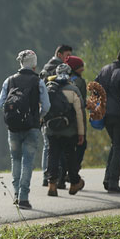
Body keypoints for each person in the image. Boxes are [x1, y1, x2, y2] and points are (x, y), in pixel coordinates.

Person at [0, 50, 50, 209]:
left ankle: (15, 194)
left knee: (16, 160)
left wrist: (12, 115)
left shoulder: (9, 81)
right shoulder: (38, 81)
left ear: (20, 63)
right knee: (28, 161)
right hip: (32, 127)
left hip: (13, 128)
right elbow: (47, 106)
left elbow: (0, 104)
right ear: (34, 65)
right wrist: (39, 116)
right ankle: (24, 198)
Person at [95, 47, 120, 193]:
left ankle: (108, 179)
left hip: (106, 115)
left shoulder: (104, 70)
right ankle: (113, 182)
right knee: (119, 148)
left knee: (115, 145)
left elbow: (95, 88)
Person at [43, 63, 85, 197]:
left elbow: (43, 108)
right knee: (70, 156)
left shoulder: (49, 89)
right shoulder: (74, 90)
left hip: (51, 130)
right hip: (69, 131)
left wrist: (42, 125)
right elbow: (79, 113)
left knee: (52, 156)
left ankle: (52, 184)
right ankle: (74, 183)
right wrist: (81, 133)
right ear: (69, 74)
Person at [39, 45, 73, 187]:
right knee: (54, 147)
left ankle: (46, 176)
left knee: (48, 146)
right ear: (59, 54)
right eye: (67, 55)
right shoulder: (58, 68)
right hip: (56, 112)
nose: (68, 58)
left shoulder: (45, 68)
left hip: (45, 111)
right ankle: (54, 176)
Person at [65, 55, 88, 177]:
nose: (83, 69)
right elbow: (81, 103)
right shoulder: (79, 81)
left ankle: (62, 175)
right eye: (80, 67)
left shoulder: (64, 80)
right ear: (74, 68)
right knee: (81, 145)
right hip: (76, 119)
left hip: (64, 119)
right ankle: (73, 173)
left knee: (65, 148)